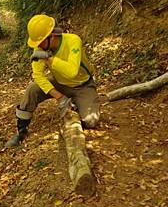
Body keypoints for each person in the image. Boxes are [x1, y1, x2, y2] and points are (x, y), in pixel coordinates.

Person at [6, 14, 100, 147]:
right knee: (32, 89)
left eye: (40, 41)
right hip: (60, 83)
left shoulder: (73, 41)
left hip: (82, 85)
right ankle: (21, 130)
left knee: (91, 121)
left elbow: (72, 72)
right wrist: (59, 96)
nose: (37, 46)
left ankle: (76, 104)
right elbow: (38, 75)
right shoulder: (40, 48)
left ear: (52, 35)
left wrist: (49, 58)